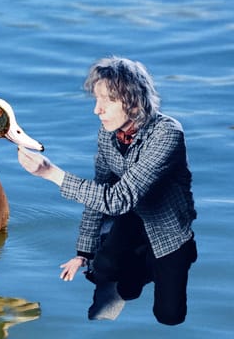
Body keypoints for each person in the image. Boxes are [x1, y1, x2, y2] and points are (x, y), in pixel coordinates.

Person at [18, 56, 197, 325]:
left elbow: (116, 200)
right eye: (96, 99)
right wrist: (83, 253)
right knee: (100, 268)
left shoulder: (167, 134)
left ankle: (154, 266)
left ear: (135, 104)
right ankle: (120, 271)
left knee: (169, 317)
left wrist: (51, 173)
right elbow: (100, 193)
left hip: (167, 229)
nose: (97, 110)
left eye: (108, 100)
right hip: (131, 217)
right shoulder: (107, 133)